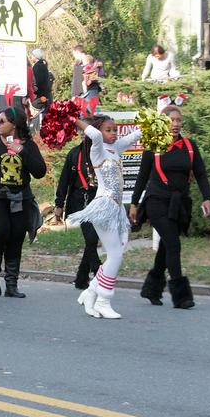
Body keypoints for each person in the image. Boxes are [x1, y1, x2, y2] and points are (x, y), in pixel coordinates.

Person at [130, 106, 210, 309]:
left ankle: (151, 288)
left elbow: (200, 174)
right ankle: (181, 296)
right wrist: (134, 203)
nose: (175, 124)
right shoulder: (153, 147)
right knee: (174, 244)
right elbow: (142, 177)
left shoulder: (190, 146)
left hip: (179, 203)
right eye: (171, 120)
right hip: (156, 201)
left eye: (178, 120)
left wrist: (207, 198)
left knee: (167, 246)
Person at [66, 116, 141, 319]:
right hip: (104, 207)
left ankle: (90, 293)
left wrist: (155, 123)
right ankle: (103, 300)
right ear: (100, 131)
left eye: (115, 130)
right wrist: (74, 119)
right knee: (115, 255)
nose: (113, 133)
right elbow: (94, 134)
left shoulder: (116, 148)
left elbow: (135, 136)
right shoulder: (97, 149)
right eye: (109, 130)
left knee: (118, 252)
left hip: (117, 209)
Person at [0, 107, 47, 298]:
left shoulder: (28, 145)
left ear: (15, 124)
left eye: (2, 121)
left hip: (20, 198)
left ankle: (11, 284)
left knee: (16, 238)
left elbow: (39, 171)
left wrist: (21, 151)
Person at [54, 120, 100, 289]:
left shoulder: (101, 152)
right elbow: (64, 181)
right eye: (82, 131)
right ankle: (99, 274)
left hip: (98, 200)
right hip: (79, 201)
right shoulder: (74, 154)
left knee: (92, 240)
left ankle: (81, 277)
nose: (84, 134)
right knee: (91, 238)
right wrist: (59, 204)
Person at [30, 49, 52, 136]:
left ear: (36, 56)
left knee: (35, 114)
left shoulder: (37, 67)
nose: (31, 57)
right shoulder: (43, 65)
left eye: (32, 55)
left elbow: (38, 82)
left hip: (40, 95)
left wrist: (35, 91)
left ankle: (37, 133)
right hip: (44, 95)